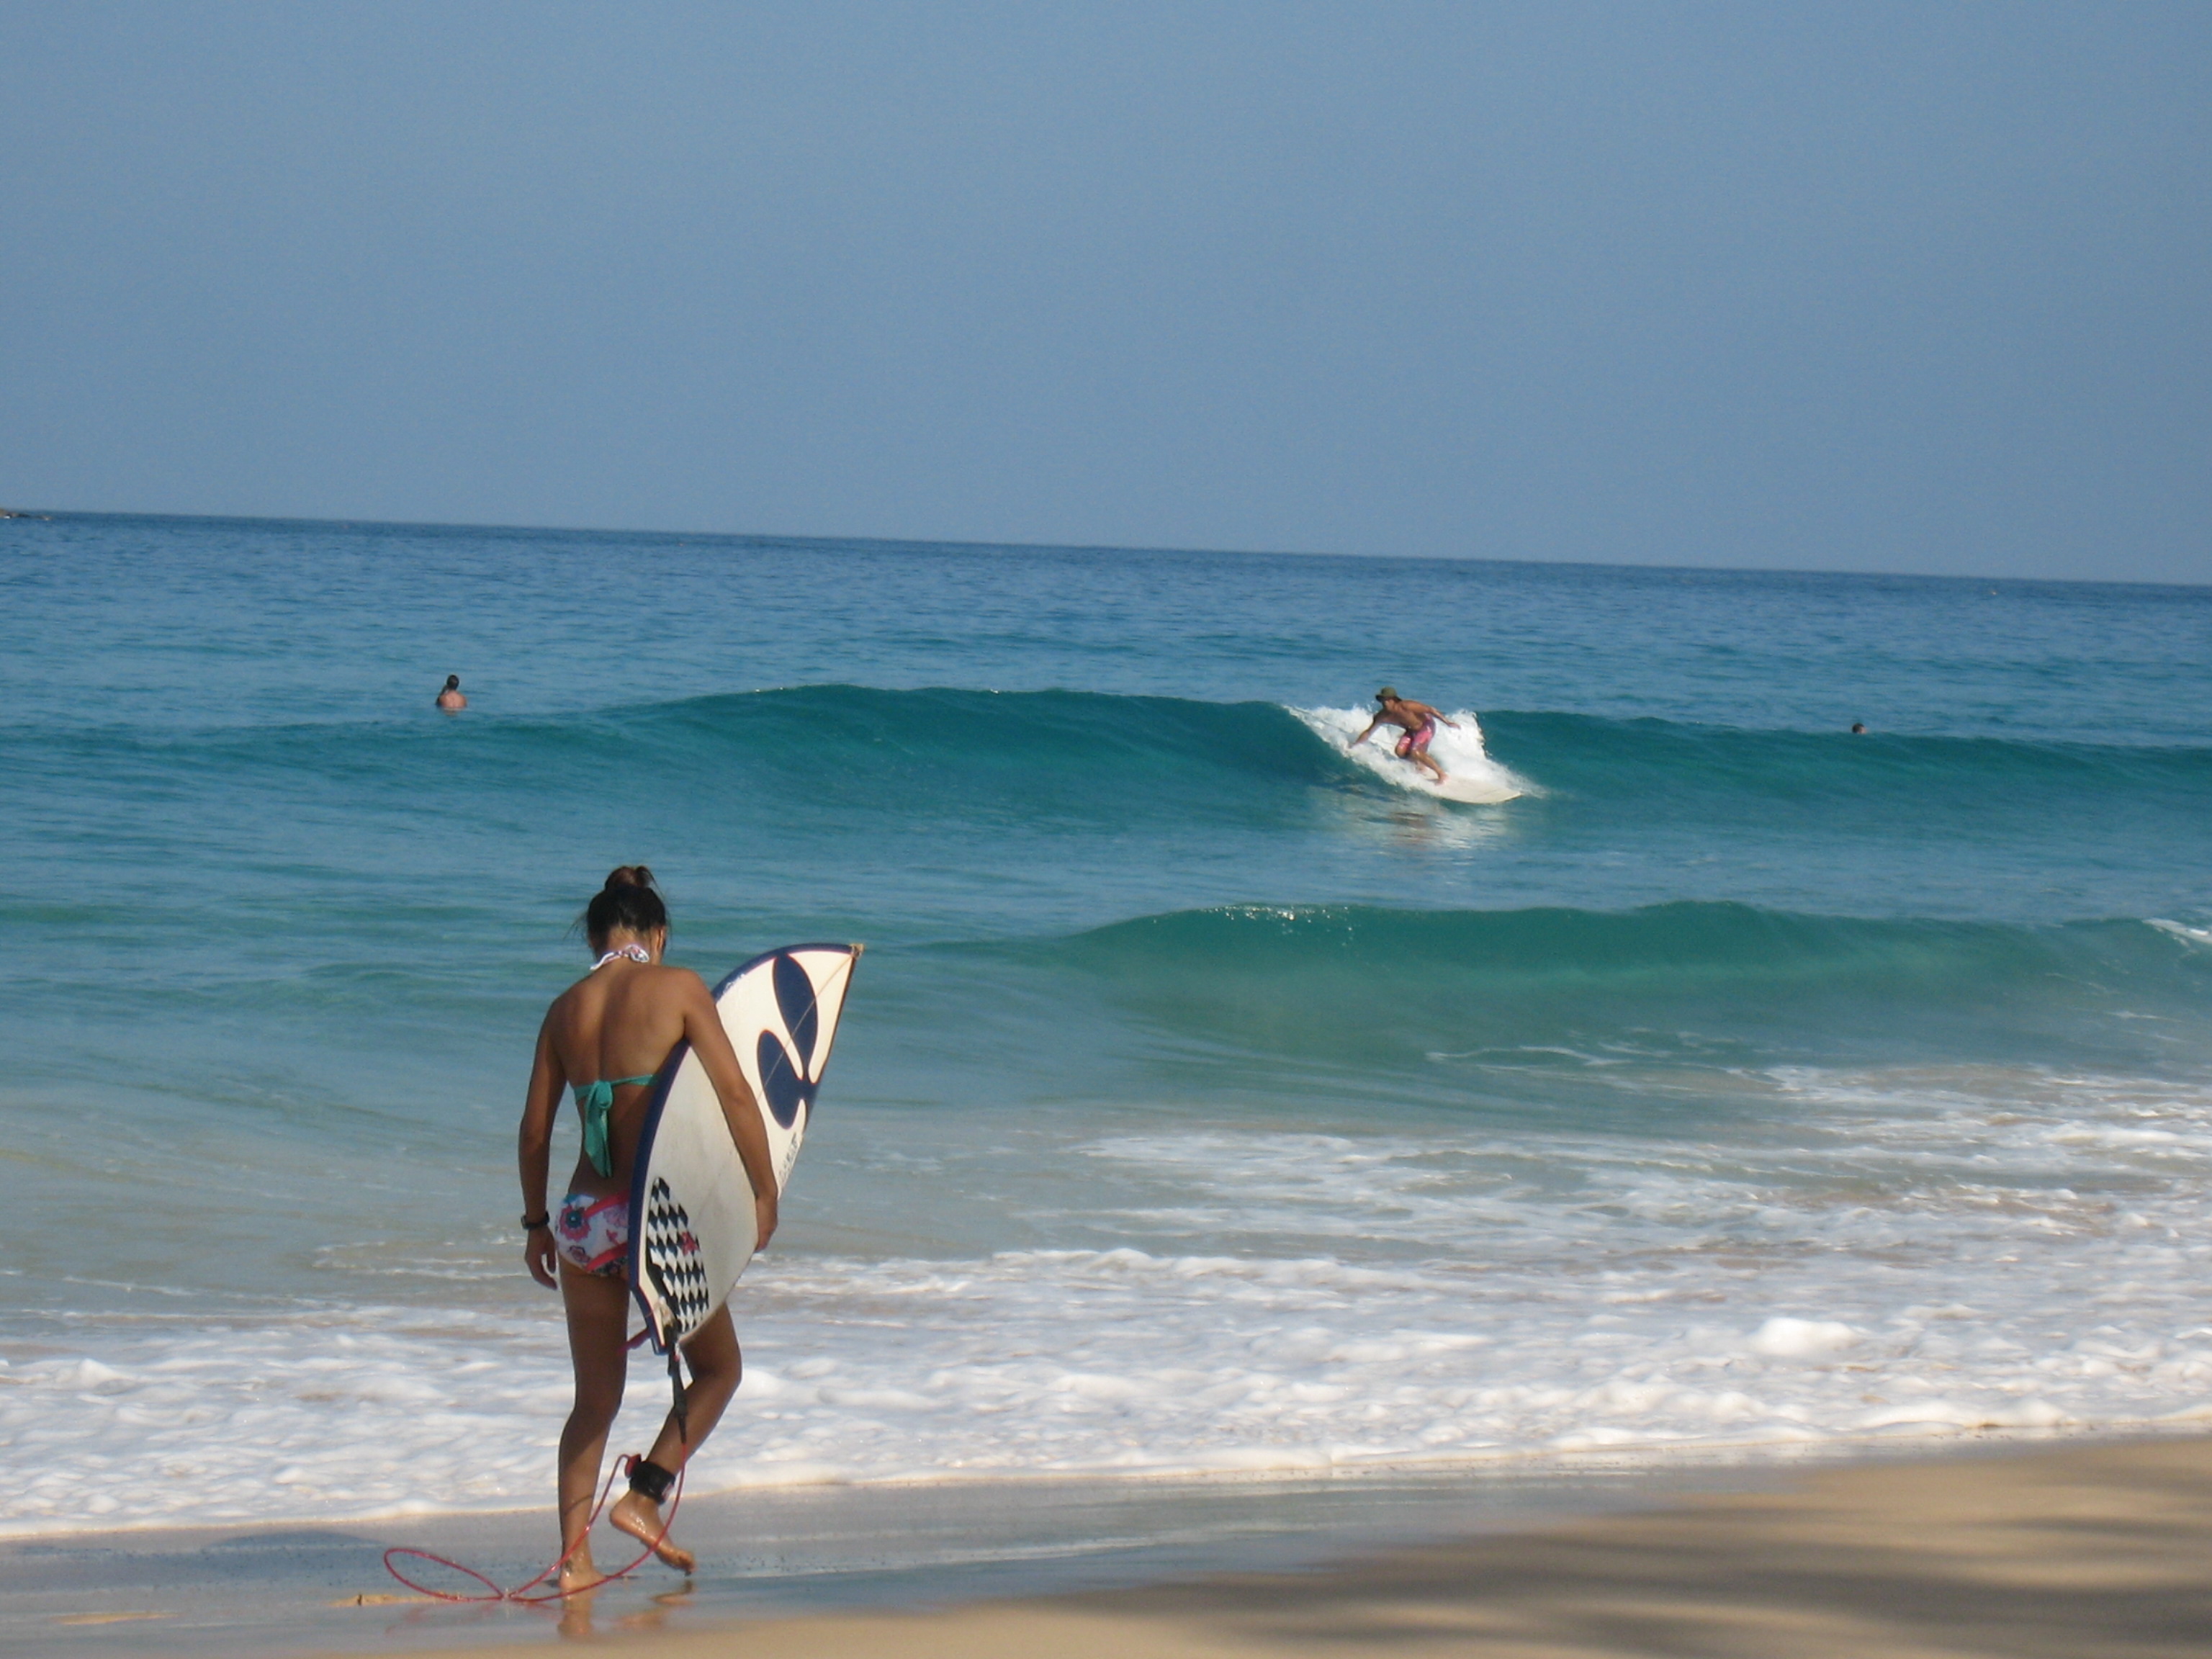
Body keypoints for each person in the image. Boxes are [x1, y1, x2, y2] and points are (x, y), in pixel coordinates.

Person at [516, 867, 778, 1593]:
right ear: (656, 936)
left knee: (594, 1400)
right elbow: (733, 1093)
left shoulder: (564, 1009)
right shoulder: (679, 987)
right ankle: (644, 1495)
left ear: (597, 937)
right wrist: (762, 1192)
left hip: (581, 1222)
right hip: (654, 1223)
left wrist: (538, 1225)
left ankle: (573, 1561)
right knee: (720, 1370)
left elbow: (534, 1133)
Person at [1349, 687, 1458, 784]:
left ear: (1394, 700)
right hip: (1411, 730)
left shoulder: (1407, 706)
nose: (1385, 703)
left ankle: (1441, 774)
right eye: (1383, 700)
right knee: (1399, 751)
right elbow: (1368, 732)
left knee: (1415, 751)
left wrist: (1447, 722)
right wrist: (1355, 745)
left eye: (1388, 700)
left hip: (1426, 726)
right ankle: (1419, 765)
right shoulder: (1382, 716)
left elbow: (1430, 710)